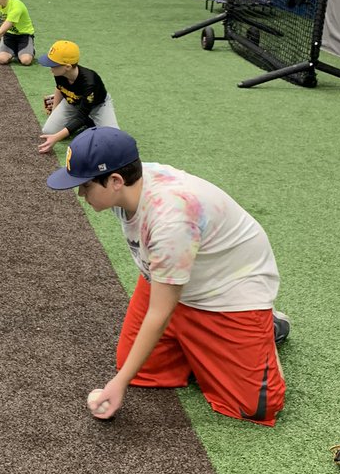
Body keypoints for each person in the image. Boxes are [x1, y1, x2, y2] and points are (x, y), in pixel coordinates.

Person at [46, 127, 289, 427]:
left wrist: (118, 384)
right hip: (173, 278)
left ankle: (269, 327)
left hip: (228, 291)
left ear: (115, 181)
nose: (81, 194)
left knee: (255, 406)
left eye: (85, 186)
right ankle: (203, 348)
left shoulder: (171, 219)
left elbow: (159, 313)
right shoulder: (129, 184)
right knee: (141, 369)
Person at [37, 40, 118, 154]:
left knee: (113, 139)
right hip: (72, 102)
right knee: (49, 130)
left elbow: (81, 117)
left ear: (67, 67)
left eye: (53, 64)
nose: (50, 68)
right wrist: (54, 110)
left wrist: (56, 138)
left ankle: (90, 122)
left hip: (97, 105)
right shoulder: (59, 73)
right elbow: (59, 87)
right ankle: (86, 124)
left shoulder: (90, 82)